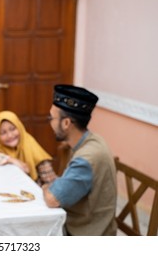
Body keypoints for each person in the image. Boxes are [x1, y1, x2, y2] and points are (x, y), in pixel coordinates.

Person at [42, 84, 117, 236]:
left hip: (88, 233)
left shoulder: (86, 158)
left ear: (66, 123)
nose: (49, 122)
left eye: (51, 117)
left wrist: (45, 187)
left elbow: (52, 199)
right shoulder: (92, 139)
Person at [0, 110, 57, 185]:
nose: (10, 135)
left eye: (12, 129)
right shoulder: (1, 146)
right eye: (3, 133)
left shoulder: (31, 147)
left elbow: (52, 183)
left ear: (19, 127)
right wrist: (11, 160)